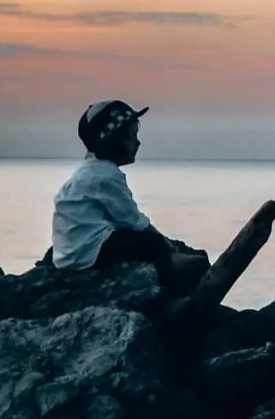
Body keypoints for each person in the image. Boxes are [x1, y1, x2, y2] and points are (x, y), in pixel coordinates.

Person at [50, 101, 209, 290]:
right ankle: (171, 289)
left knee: (138, 240)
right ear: (113, 141)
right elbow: (131, 219)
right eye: (132, 136)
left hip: (71, 251)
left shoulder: (87, 171)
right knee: (151, 243)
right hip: (90, 252)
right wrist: (162, 241)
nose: (138, 142)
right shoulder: (105, 175)